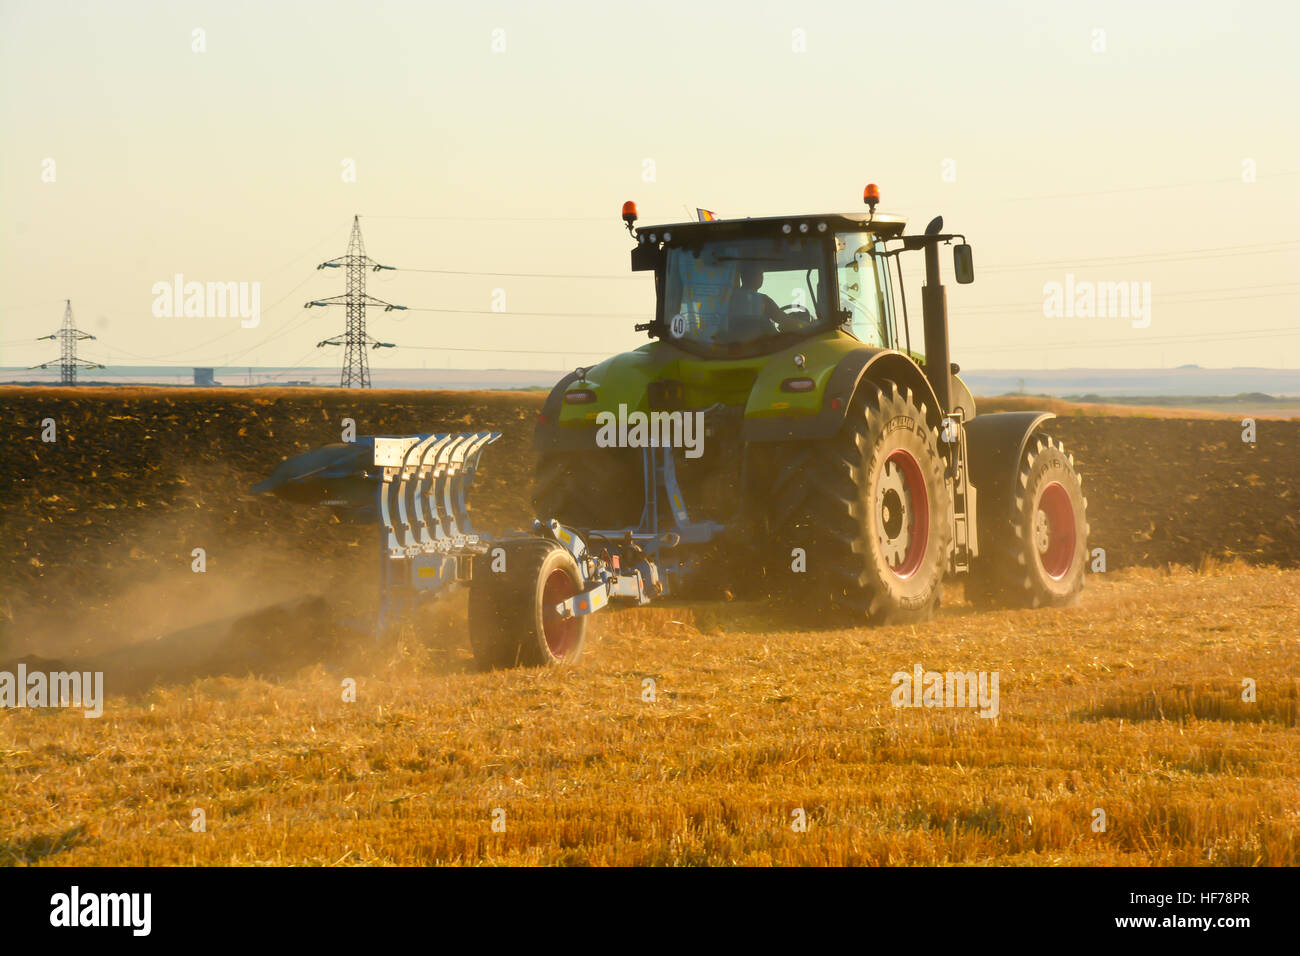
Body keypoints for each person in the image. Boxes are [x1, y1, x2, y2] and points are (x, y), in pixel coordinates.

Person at [726, 262, 785, 335]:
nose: (761, 278)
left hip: (734, 344)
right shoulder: (762, 299)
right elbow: (783, 320)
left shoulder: (728, 298)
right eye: (760, 275)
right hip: (760, 344)